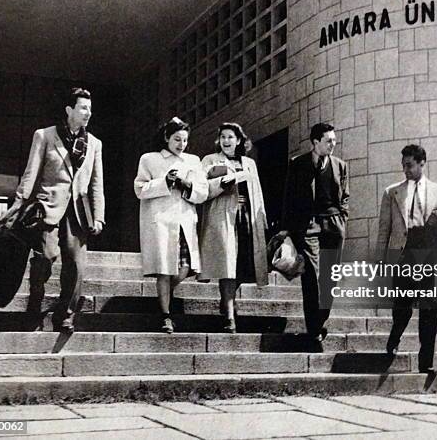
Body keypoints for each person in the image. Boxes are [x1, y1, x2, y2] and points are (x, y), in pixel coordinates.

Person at [5, 87, 105, 332]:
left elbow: (96, 183)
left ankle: (66, 314)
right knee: (45, 257)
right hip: (47, 205)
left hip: (78, 210)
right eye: (83, 108)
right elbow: (31, 173)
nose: (88, 113)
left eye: (90, 109)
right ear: (69, 109)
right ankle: (35, 302)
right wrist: (17, 205)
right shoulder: (45, 135)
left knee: (76, 263)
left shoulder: (93, 143)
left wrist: (99, 216)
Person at [377, 144, 437, 374]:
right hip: (403, 254)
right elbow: (383, 230)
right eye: (403, 165)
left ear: (421, 163)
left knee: (429, 309)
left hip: (429, 256)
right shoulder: (392, 192)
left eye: (409, 165)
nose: (405, 169)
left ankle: (426, 361)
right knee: (402, 307)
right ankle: (394, 337)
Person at [134, 117, 208, 333]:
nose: (181, 144)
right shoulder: (149, 159)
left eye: (185, 140)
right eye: (177, 139)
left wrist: (187, 185)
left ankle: (162, 294)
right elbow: (140, 189)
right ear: (167, 138)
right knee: (164, 271)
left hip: (184, 221)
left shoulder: (193, 161)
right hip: (161, 222)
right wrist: (164, 182)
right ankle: (166, 315)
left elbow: (202, 192)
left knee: (184, 268)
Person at [281, 123, 349, 344]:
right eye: (328, 141)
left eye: (334, 141)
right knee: (311, 274)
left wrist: (342, 216)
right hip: (308, 224)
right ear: (315, 142)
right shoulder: (298, 164)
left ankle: (321, 319)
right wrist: (286, 229)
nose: (333, 144)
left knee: (330, 278)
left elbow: (344, 196)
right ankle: (314, 328)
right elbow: (288, 197)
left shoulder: (341, 165)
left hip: (333, 225)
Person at [199, 123, 268, 333]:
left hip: (247, 218)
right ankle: (229, 314)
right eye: (223, 137)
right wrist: (224, 182)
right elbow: (202, 189)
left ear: (239, 140)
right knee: (227, 265)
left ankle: (226, 299)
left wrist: (262, 219)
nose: (226, 141)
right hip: (223, 216)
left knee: (243, 264)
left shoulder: (249, 162)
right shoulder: (210, 160)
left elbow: (257, 191)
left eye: (230, 137)